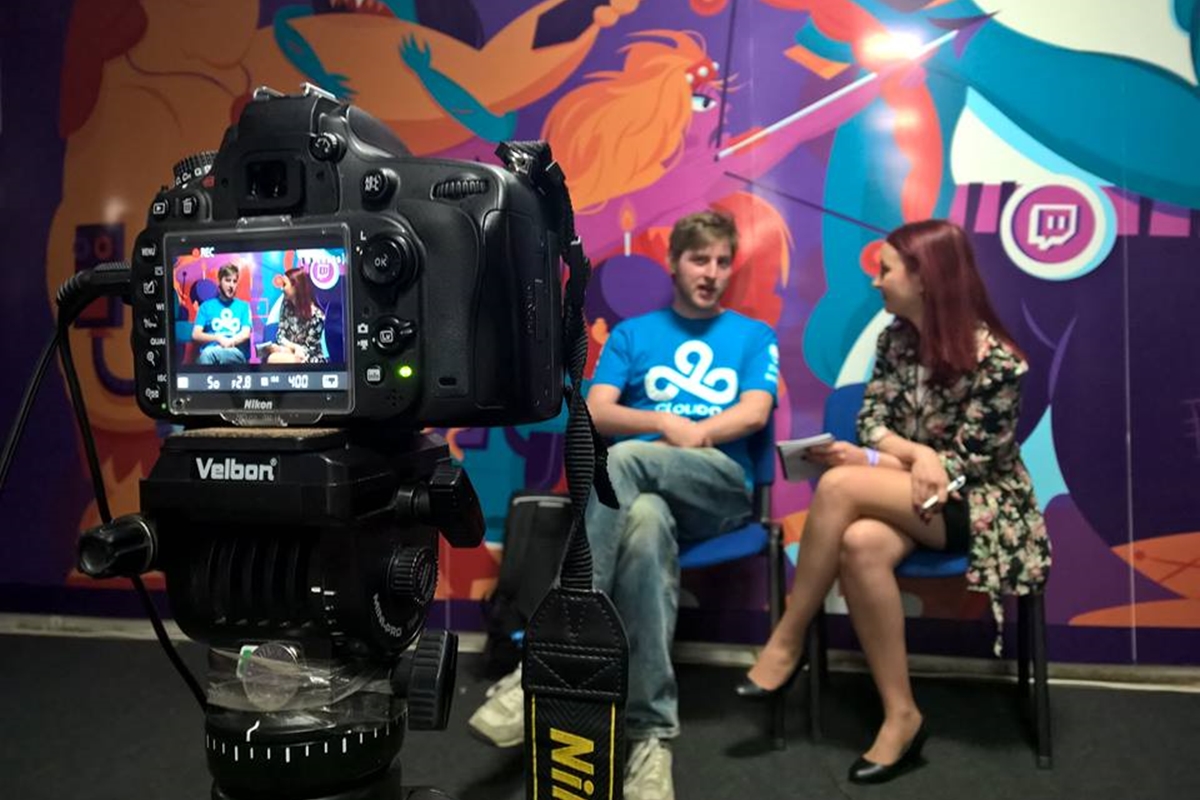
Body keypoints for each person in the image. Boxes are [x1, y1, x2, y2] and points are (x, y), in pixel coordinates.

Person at [469, 210, 779, 800]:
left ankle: (544, 655)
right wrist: (662, 421)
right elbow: (599, 409)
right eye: (699, 259)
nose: (711, 273)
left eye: (722, 262)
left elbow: (755, 411)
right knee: (645, 523)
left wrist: (697, 433)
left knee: (625, 461)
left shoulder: (752, 336)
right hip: (642, 493)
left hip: (717, 486)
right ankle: (651, 737)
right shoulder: (635, 335)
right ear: (674, 263)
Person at [735, 219, 1051, 783]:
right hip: (917, 497)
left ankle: (788, 638)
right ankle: (902, 715)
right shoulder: (894, 340)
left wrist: (899, 462)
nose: (875, 281)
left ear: (924, 277)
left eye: (885, 270)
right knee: (860, 543)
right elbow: (871, 422)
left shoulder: (1001, 362)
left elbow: (974, 463)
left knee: (839, 484)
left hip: (981, 506)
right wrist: (916, 454)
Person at [263, 268, 327, 364]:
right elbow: (280, 335)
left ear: (295, 286)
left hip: (309, 358)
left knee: (273, 359)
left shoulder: (317, 317)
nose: (282, 289)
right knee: (272, 355)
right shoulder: (286, 305)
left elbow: (309, 349)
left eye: (284, 285)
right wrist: (291, 348)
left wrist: (290, 351)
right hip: (290, 351)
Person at [192, 264, 252, 365]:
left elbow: (245, 333)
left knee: (207, 355)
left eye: (234, 281)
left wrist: (230, 341)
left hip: (235, 352)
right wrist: (218, 338)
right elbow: (196, 334)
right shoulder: (206, 306)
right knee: (207, 355)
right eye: (228, 280)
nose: (231, 285)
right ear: (220, 281)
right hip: (210, 351)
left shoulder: (244, 306)